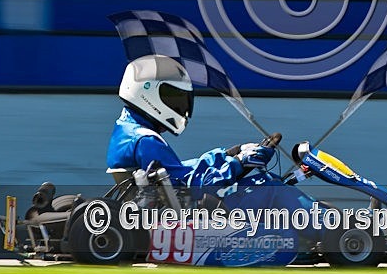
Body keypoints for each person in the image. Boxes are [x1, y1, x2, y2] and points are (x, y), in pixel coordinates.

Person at [106, 55, 274, 193]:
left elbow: (175, 170)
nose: (178, 106)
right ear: (147, 93)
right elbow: (190, 184)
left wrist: (225, 156)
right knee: (270, 186)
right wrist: (238, 163)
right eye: (172, 97)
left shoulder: (127, 131)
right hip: (190, 212)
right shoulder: (145, 141)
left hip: (171, 207)